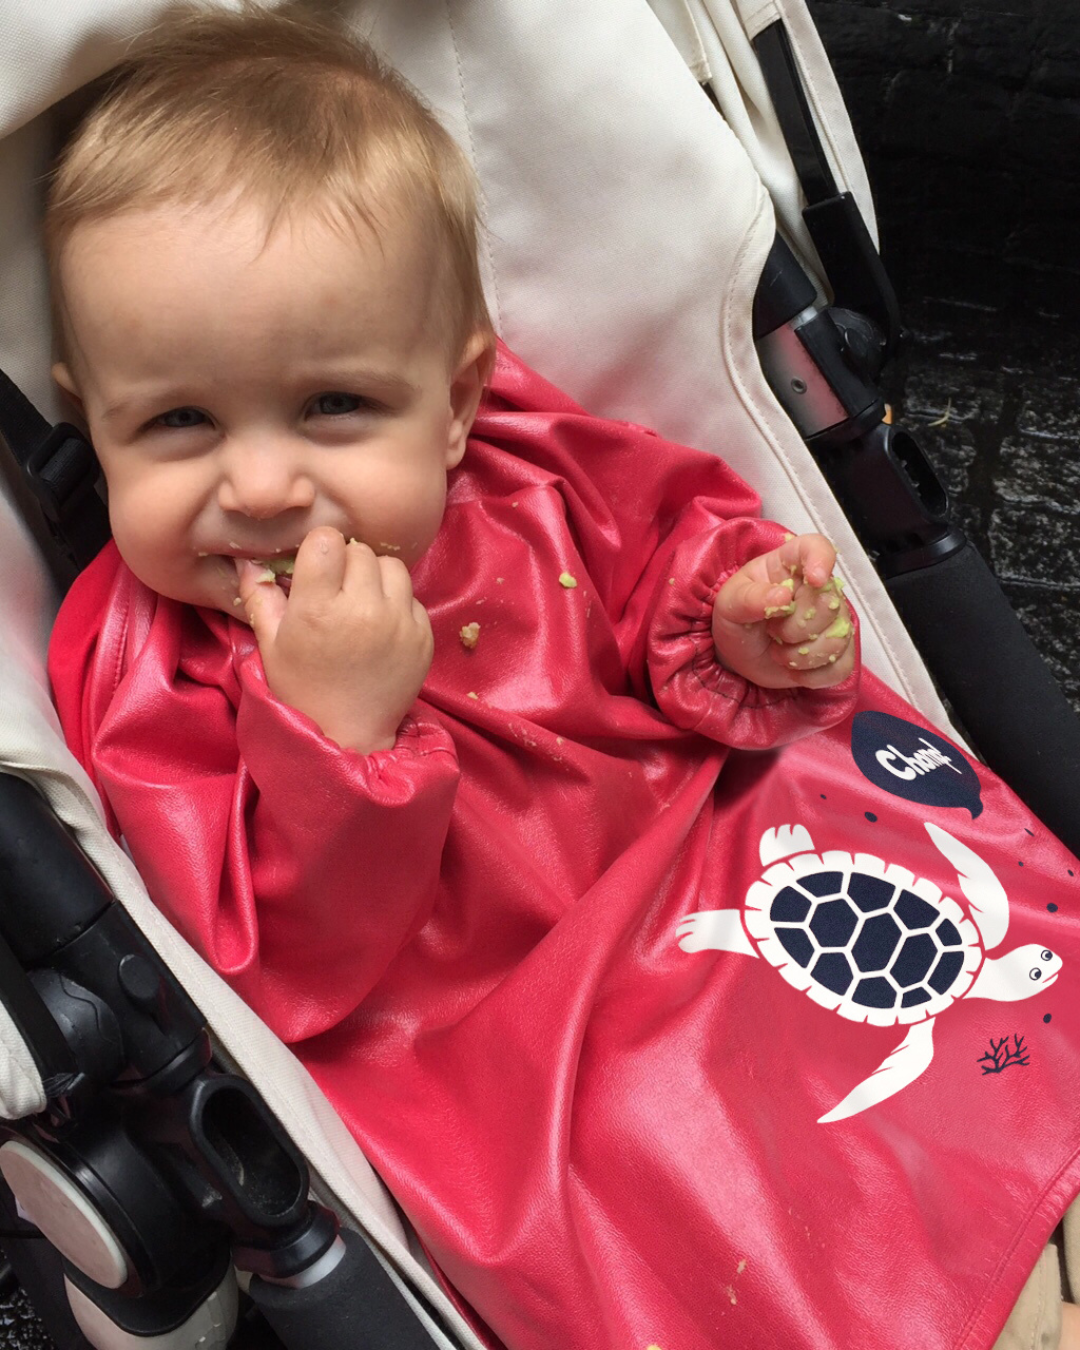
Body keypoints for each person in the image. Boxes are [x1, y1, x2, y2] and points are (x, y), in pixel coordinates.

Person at [43, 6, 1080, 1349]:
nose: (258, 485)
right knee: (774, 1208)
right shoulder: (149, 671)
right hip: (521, 1041)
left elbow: (666, 552)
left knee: (1001, 1050)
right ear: (94, 422)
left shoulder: (529, 475)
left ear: (456, 399)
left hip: (726, 840)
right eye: (178, 422)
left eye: (333, 407)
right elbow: (272, 975)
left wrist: (741, 625)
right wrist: (335, 742)